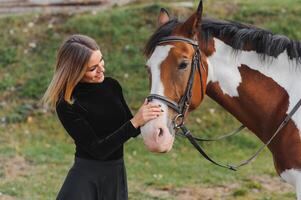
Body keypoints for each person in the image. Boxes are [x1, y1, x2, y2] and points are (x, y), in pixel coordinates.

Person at [41, 34, 163, 200]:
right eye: (92, 69)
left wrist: (153, 116)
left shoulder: (112, 86)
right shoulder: (66, 104)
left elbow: (131, 129)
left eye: (101, 61)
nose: (102, 70)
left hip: (115, 173)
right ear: (75, 72)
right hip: (86, 177)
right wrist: (135, 122)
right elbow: (98, 150)